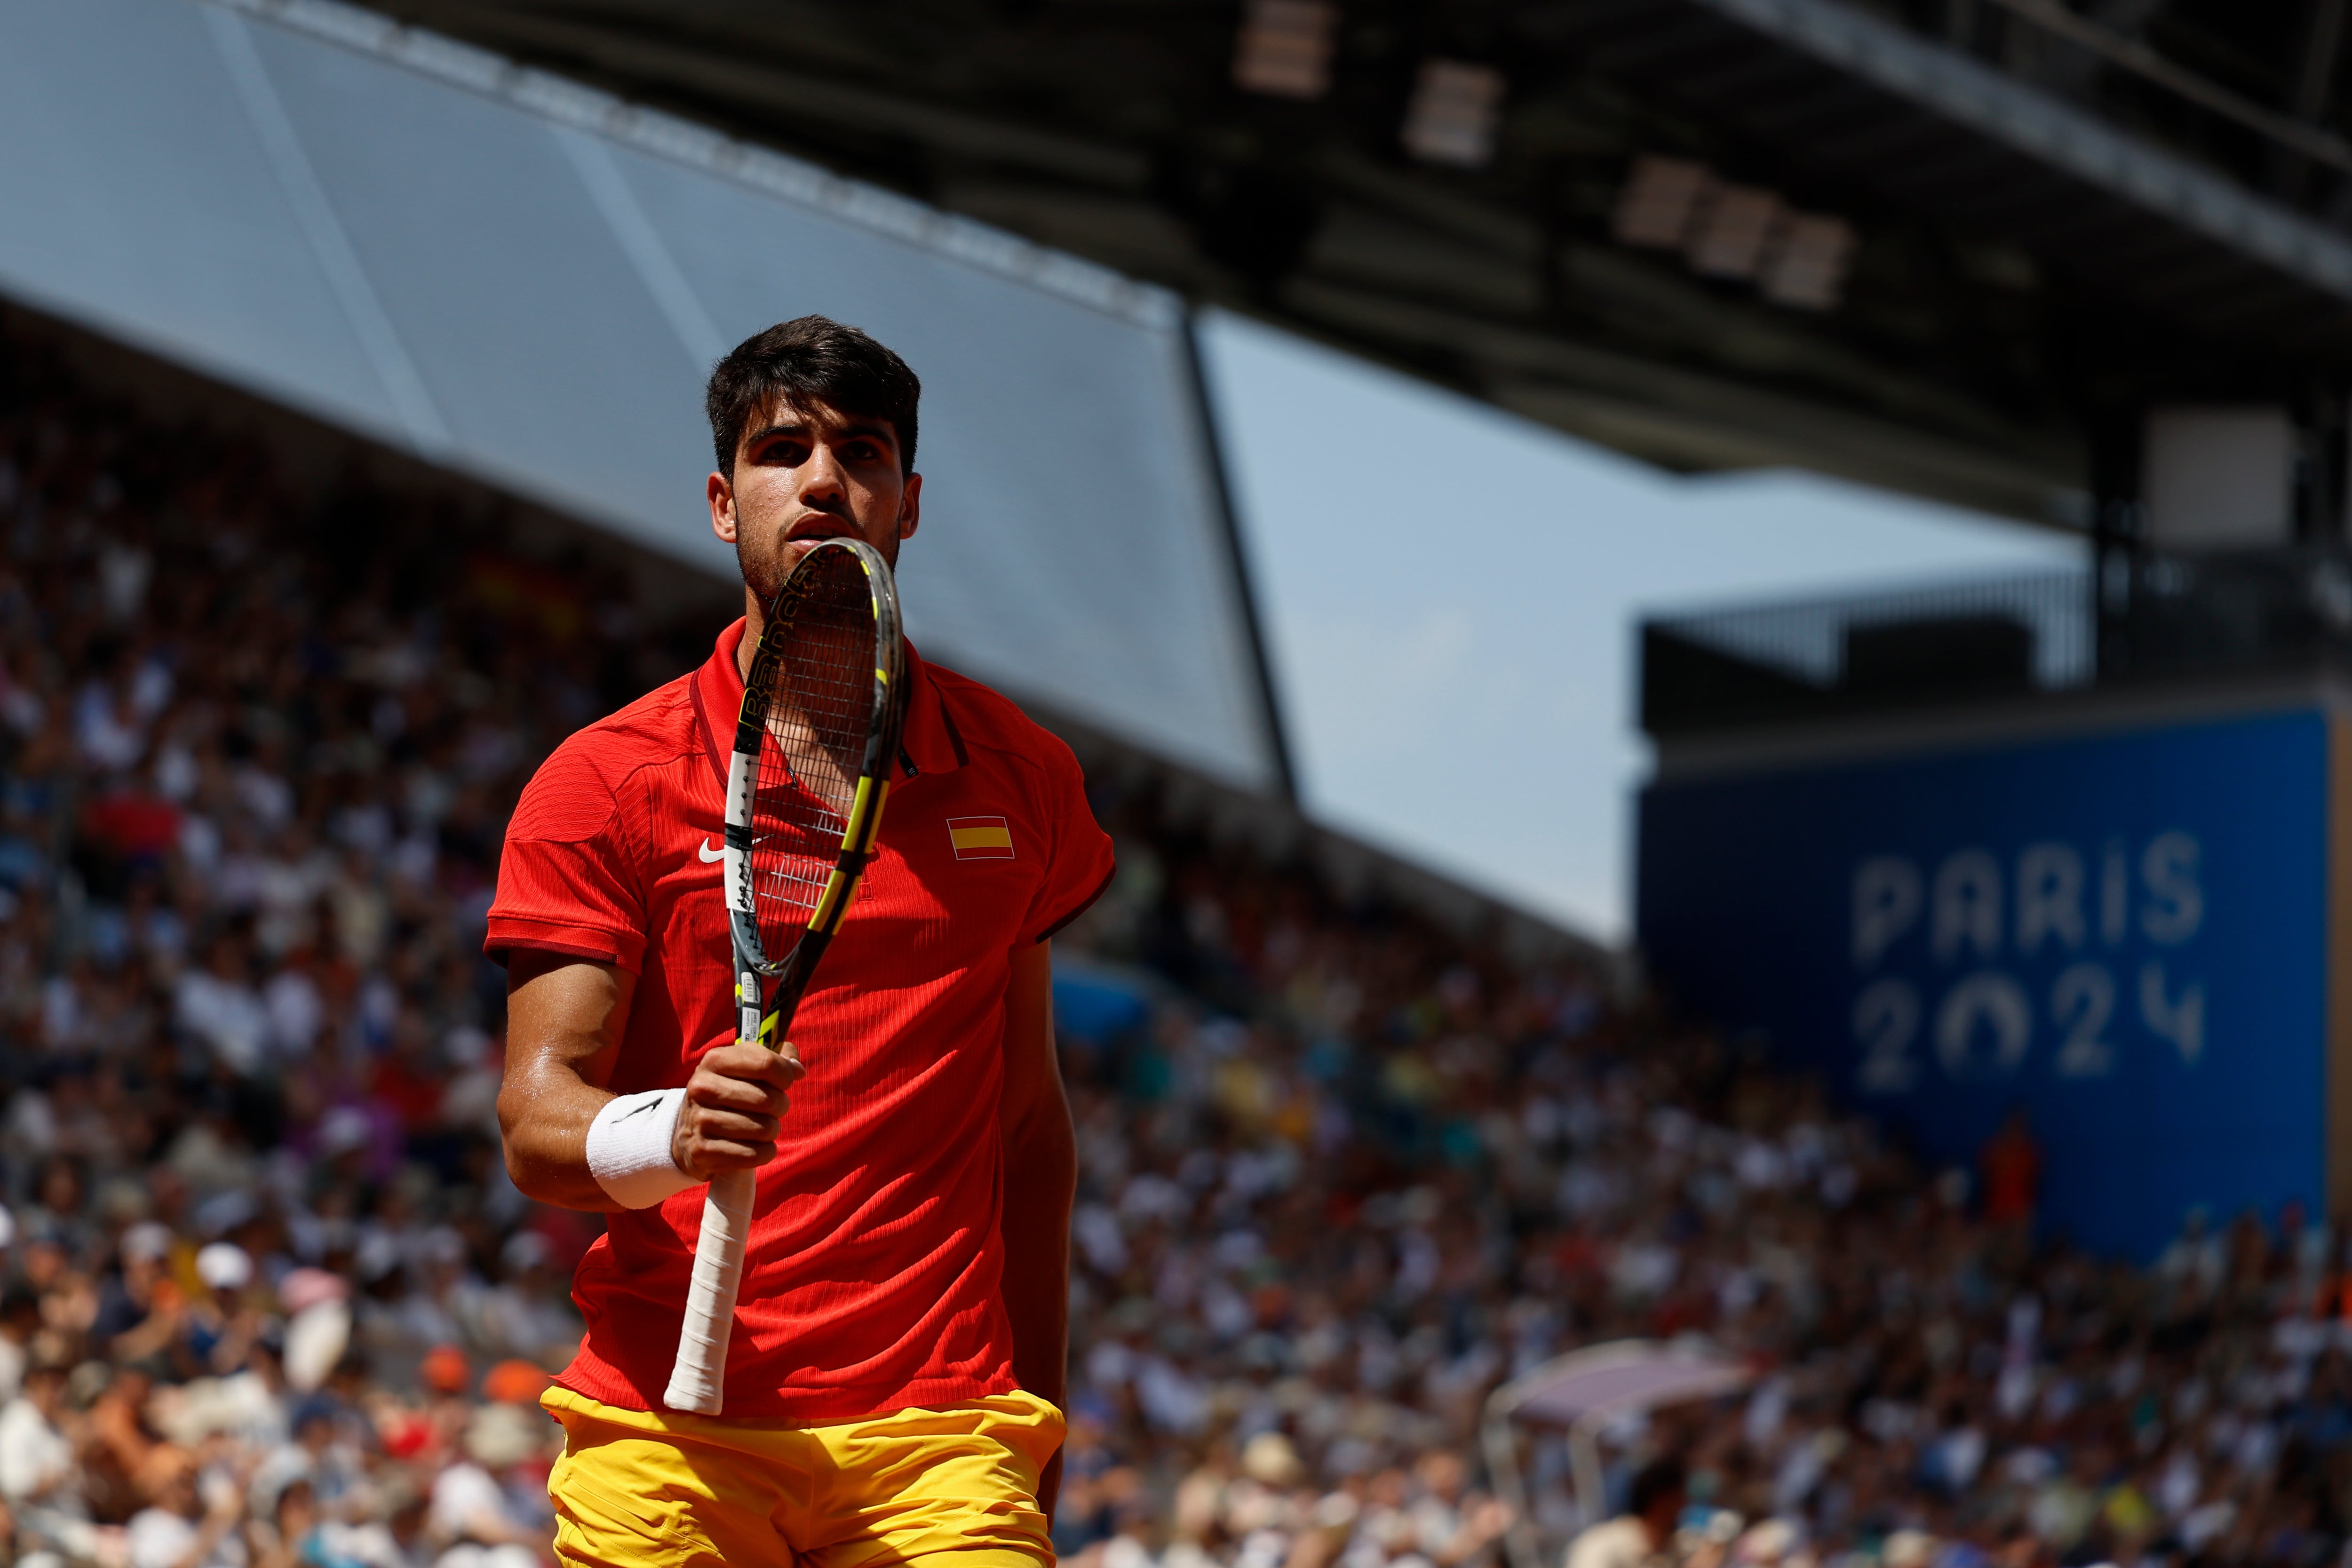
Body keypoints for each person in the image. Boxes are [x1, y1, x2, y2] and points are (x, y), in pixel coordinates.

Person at [491, 316, 1114, 1567]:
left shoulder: (1026, 778)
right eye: (784, 450)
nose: (825, 480)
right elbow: (535, 1121)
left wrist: (1032, 1430)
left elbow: (1031, 1131)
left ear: (909, 501)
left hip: (944, 1438)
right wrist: (666, 1128)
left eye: (863, 452)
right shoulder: (603, 780)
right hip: (668, 1427)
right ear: (726, 503)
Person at [1565, 1457, 1685, 1568]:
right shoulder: (1601, 1547)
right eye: (1680, 1498)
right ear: (1660, 1501)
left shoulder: (1678, 1547)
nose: (1685, 1504)